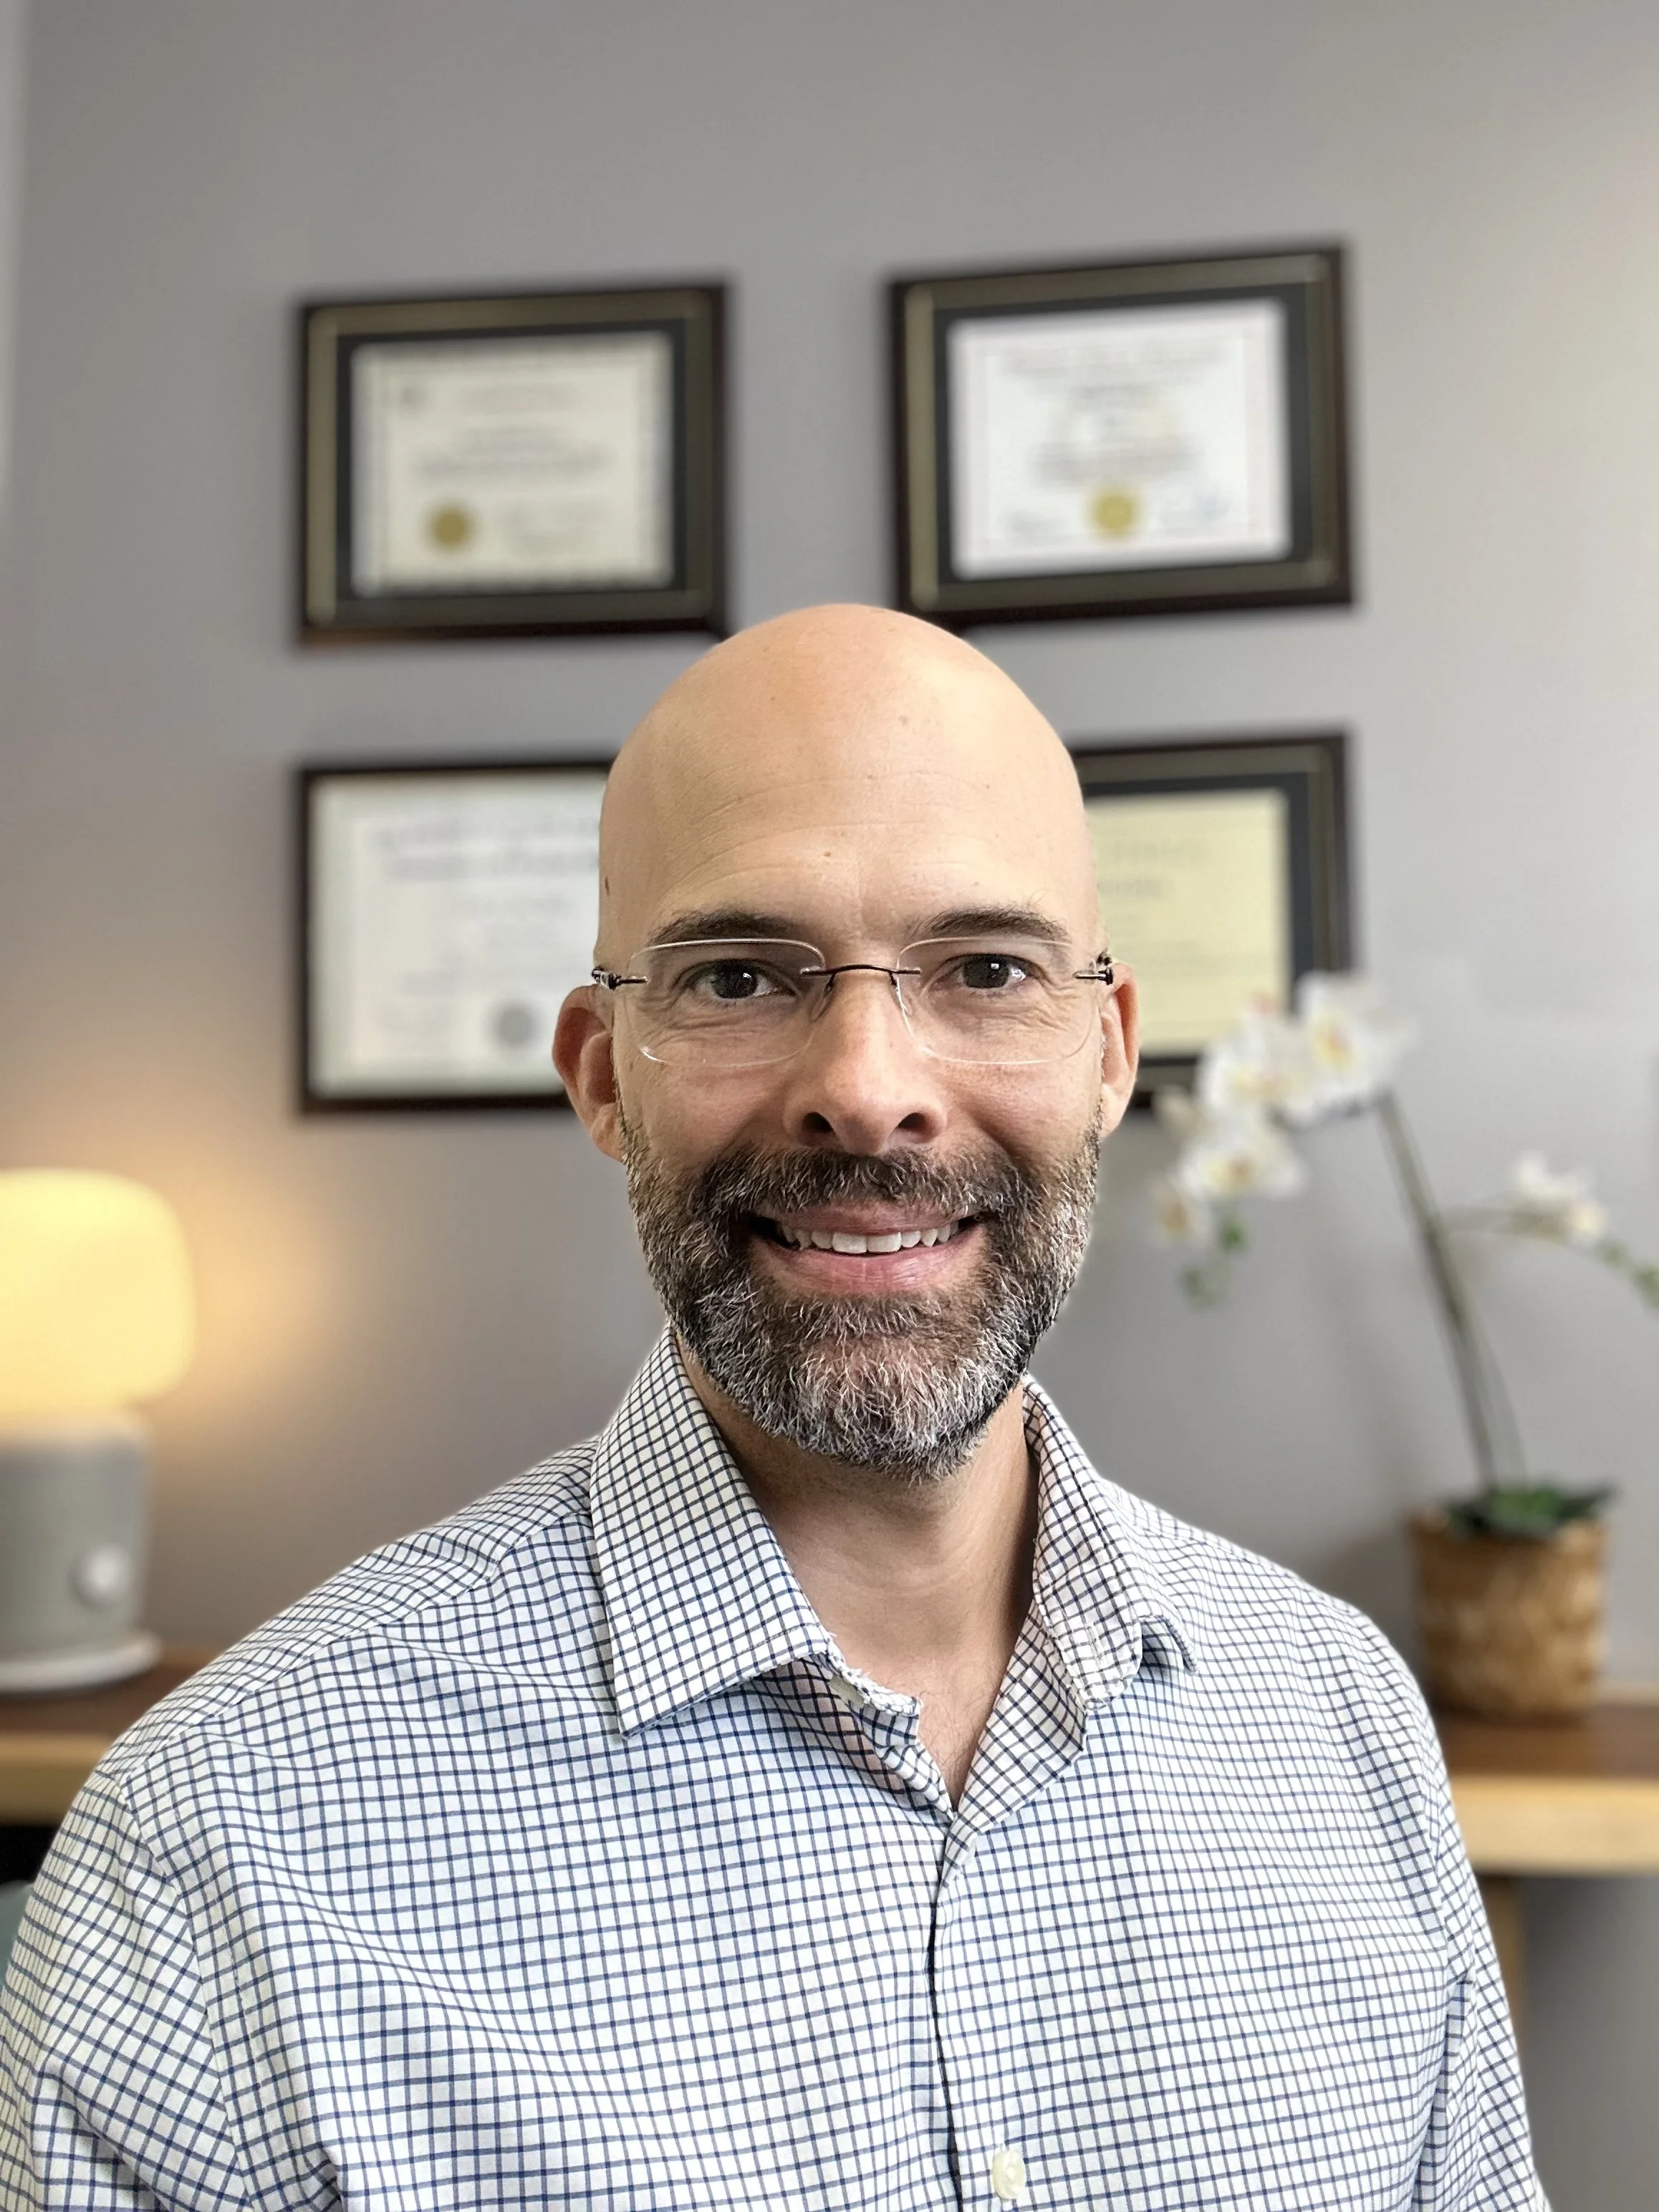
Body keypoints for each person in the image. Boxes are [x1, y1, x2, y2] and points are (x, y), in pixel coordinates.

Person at [1, 606, 1544, 2211]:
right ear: (604, 1075)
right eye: (741, 972)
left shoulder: (1342, 1723)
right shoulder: (211, 1845)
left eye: (988, 968)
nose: (868, 1084)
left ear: (1108, 1051)